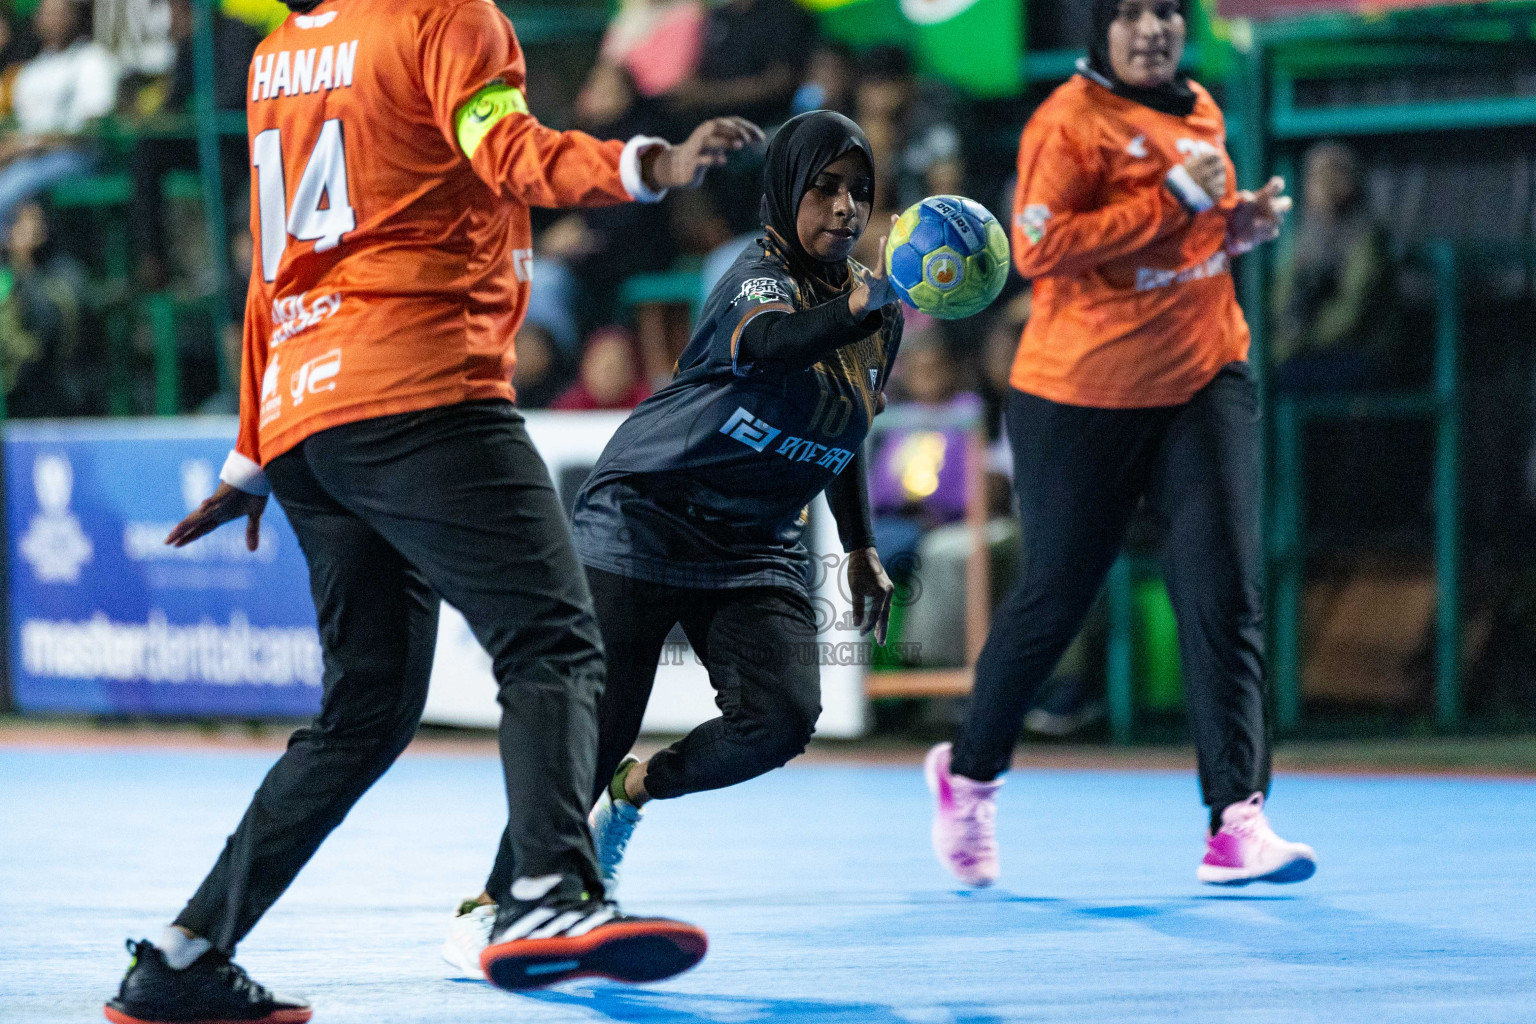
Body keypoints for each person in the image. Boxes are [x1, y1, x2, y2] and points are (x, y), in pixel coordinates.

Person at [103, 0, 764, 1018]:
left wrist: (253, 448)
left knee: (363, 714)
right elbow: (510, 152)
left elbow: (271, 270)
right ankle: (544, 894)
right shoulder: (441, 16)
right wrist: (650, 166)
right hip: (422, 389)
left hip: (306, 422)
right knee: (552, 640)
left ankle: (184, 957)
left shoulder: (282, 54)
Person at [442, 110, 903, 976]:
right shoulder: (756, 276)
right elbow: (767, 350)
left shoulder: (873, 312)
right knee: (600, 725)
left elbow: (846, 419)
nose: (845, 209)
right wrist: (853, 309)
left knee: (781, 719)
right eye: (826, 187)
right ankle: (493, 905)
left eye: (861, 194)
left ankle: (631, 798)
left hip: (753, 542)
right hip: (648, 513)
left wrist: (860, 546)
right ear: (783, 193)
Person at [924, 0, 1317, 889]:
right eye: (1133, 14)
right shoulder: (1066, 124)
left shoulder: (1202, 109)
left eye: (1169, 12)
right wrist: (1170, 199)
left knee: (1227, 591)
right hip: (1080, 396)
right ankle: (970, 776)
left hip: (1203, 375)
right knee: (1056, 597)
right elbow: (1040, 250)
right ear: (1100, 30)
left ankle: (1236, 821)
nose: (1154, 29)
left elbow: (1194, 233)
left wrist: (1232, 226)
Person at [0, 0, 117, 231]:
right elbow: (18, 127)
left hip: (76, 158)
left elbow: (92, 129)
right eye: (47, 14)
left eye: (60, 13)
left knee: (6, 192)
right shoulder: (31, 70)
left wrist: (36, 144)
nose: (53, 20)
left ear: (74, 17)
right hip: (26, 159)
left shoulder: (93, 59)